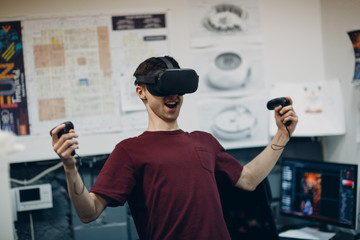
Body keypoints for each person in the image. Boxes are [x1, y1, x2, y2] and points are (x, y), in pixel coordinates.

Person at [51, 56, 298, 240]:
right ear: (142, 92)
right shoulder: (129, 151)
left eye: (177, 89)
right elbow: (89, 212)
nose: (173, 96)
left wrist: (282, 135)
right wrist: (70, 167)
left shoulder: (204, 141)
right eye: (163, 89)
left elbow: (248, 179)